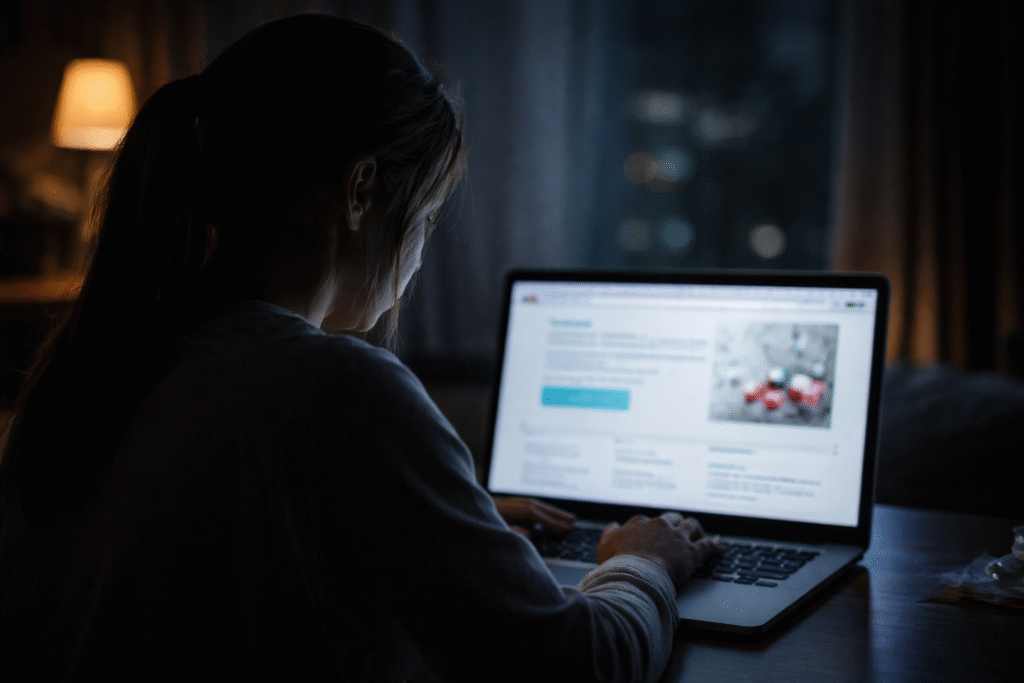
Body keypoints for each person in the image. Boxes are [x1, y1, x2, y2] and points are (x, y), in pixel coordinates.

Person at [0, 14, 721, 682]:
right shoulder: (334, 387)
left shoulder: (93, 367)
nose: (416, 259)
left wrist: (443, 521)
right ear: (360, 189)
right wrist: (643, 562)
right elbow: (584, 665)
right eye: (427, 218)